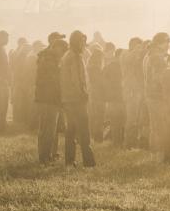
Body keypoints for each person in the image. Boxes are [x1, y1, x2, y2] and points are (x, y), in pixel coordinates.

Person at [60, 30, 95, 168]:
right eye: (82, 41)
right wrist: (84, 93)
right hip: (77, 99)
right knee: (84, 130)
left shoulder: (67, 55)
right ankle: (88, 161)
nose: (84, 44)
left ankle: (69, 160)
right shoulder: (75, 57)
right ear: (77, 42)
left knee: (71, 130)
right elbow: (77, 79)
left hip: (68, 98)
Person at [35, 34, 67, 164]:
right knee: (49, 129)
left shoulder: (46, 57)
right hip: (49, 99)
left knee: (46, 129)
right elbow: (55, 81)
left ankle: (45, 155)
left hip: (46, 98)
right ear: (56, 47)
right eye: (62, 50)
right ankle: (45, 157)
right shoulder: (49, 60)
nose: (63, 53)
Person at [143, 33, 170, 153]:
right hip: (158, 95)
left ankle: (154, 152)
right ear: (160, 43)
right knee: (160, 125)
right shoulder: (157, 57)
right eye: (167, 41)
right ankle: (160, 152)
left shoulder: (148, 55)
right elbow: (159, 78)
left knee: (155, 126)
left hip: (150, 94)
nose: (168, 44)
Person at [103, 47, 125, 145]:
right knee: (118, 120)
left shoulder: (108, 67)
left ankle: (117, 141)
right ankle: (117, 141)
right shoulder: (119, 67)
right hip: (117, 97)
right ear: (118, 56)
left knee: (116, 121)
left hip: (112, 98)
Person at [0, 30, 9, 132]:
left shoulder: (2, 49)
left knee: (3, 104)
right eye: (6, 38)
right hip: (1, 81)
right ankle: (1, 126)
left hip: (3, 80)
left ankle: (2, 124)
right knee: (1, 104)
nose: (7, 40)